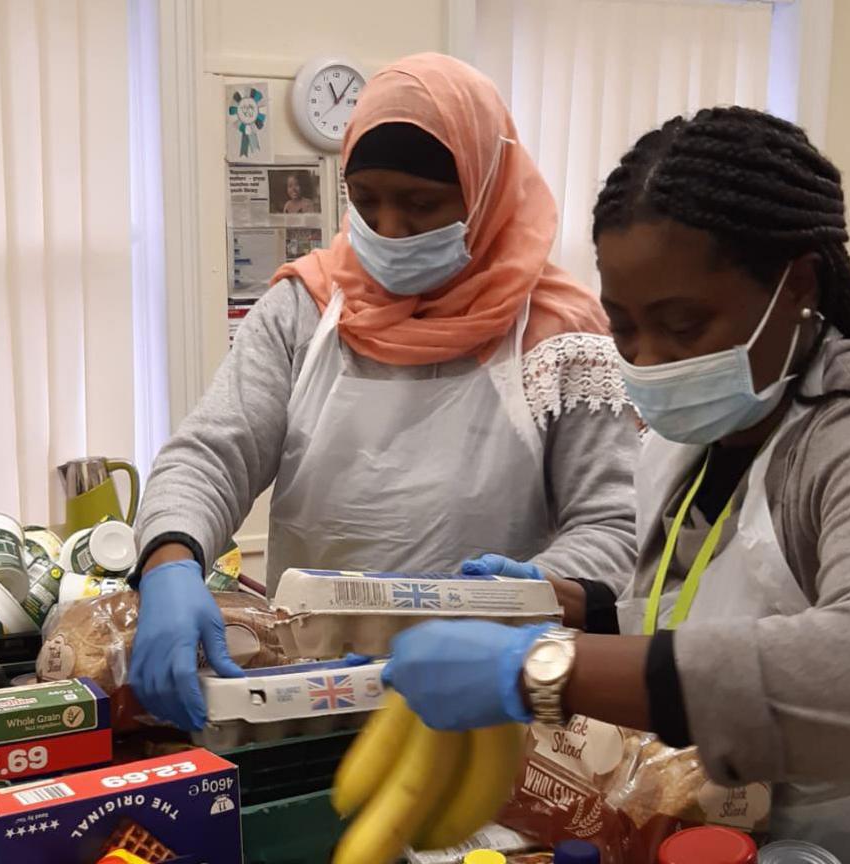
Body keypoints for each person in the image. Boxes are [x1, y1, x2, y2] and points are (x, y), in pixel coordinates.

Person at [382, 107, 850, 862]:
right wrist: (578, 608)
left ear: (796, 283)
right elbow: (726, 604)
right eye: (624, 326)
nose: (648, 359)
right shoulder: (709, 433)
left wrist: (546, 669)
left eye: (683, 323)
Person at [127, 53, 641, 732]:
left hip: (492, 702)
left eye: (422, 205)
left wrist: (523, 601)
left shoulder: (558, 335)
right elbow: (211, 454)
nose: (389, 231)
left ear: (483, 190)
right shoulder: (304, 307)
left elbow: (614, 526)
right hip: (310, 693)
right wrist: (170, 560)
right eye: (366, 202)